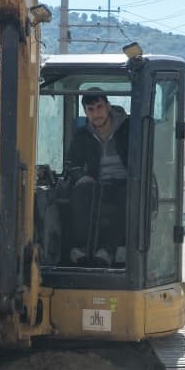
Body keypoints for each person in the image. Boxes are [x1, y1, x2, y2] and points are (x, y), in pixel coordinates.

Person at [65, 89, 130, 266]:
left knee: (128, 197)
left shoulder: (129, 128)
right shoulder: (82, 135)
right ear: (85, 113)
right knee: (80, 192)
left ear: (108, 106)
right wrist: (82, 176)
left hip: (127, 182)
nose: (96, 113)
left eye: (99, 107)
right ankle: (82, 248)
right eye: (90, 109)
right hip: (98, 182)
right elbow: (72, 163)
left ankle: (107, 251)